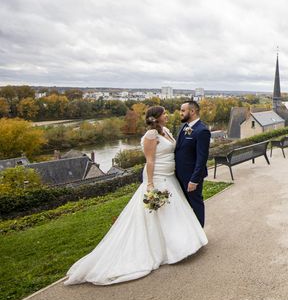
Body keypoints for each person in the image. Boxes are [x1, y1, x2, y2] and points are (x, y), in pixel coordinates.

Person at [64, 106, 208, 286]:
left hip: (171, 177)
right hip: (157, 178)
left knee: (174, 212)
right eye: (164, 113)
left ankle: (177, 244)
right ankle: (163, 250)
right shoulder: (150, 136)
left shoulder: (167, 131)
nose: (167, 115)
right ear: (156, 117)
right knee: (162, 214)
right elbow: (150, 160)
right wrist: (149, 184)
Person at [174, 100, 211, 227]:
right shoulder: (184, 127)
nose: (180, 113)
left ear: (193, 111)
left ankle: (200, 232)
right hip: (179, 176)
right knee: (185, 205)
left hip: (192, 178)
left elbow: (202, 158)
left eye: (183, 110)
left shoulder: (202, 131)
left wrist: (194, 180)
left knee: (196, 204)